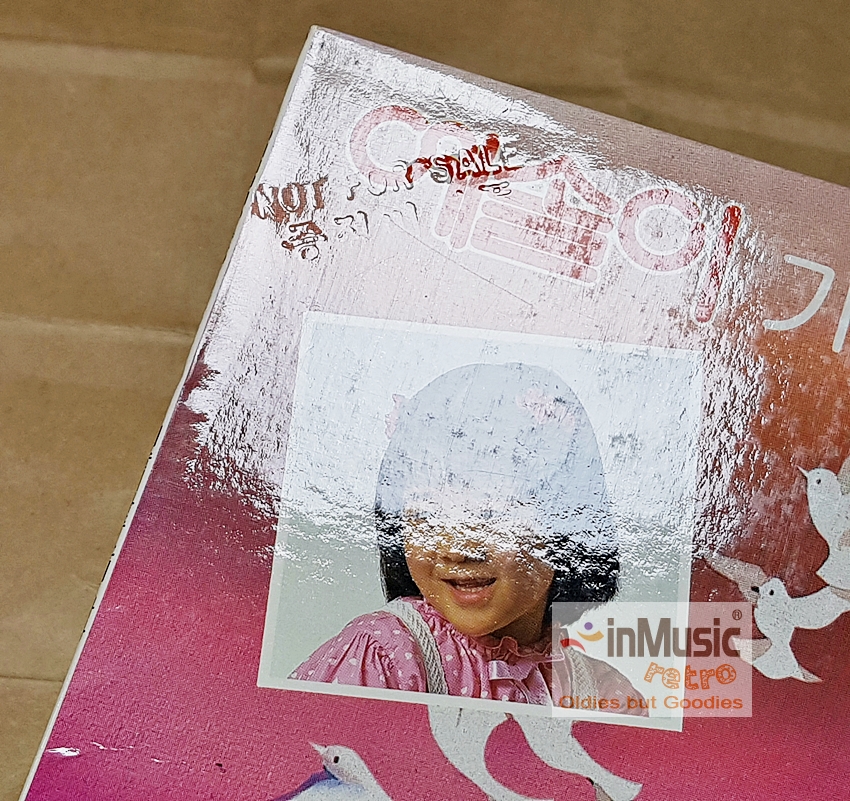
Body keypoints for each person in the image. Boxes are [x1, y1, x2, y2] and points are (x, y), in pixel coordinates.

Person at [290, 362, 644, 712]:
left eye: (490, 515)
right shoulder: (385, 655)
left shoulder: (604, 695)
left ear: (569, 524)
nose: (457, 549)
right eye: (428, 514)